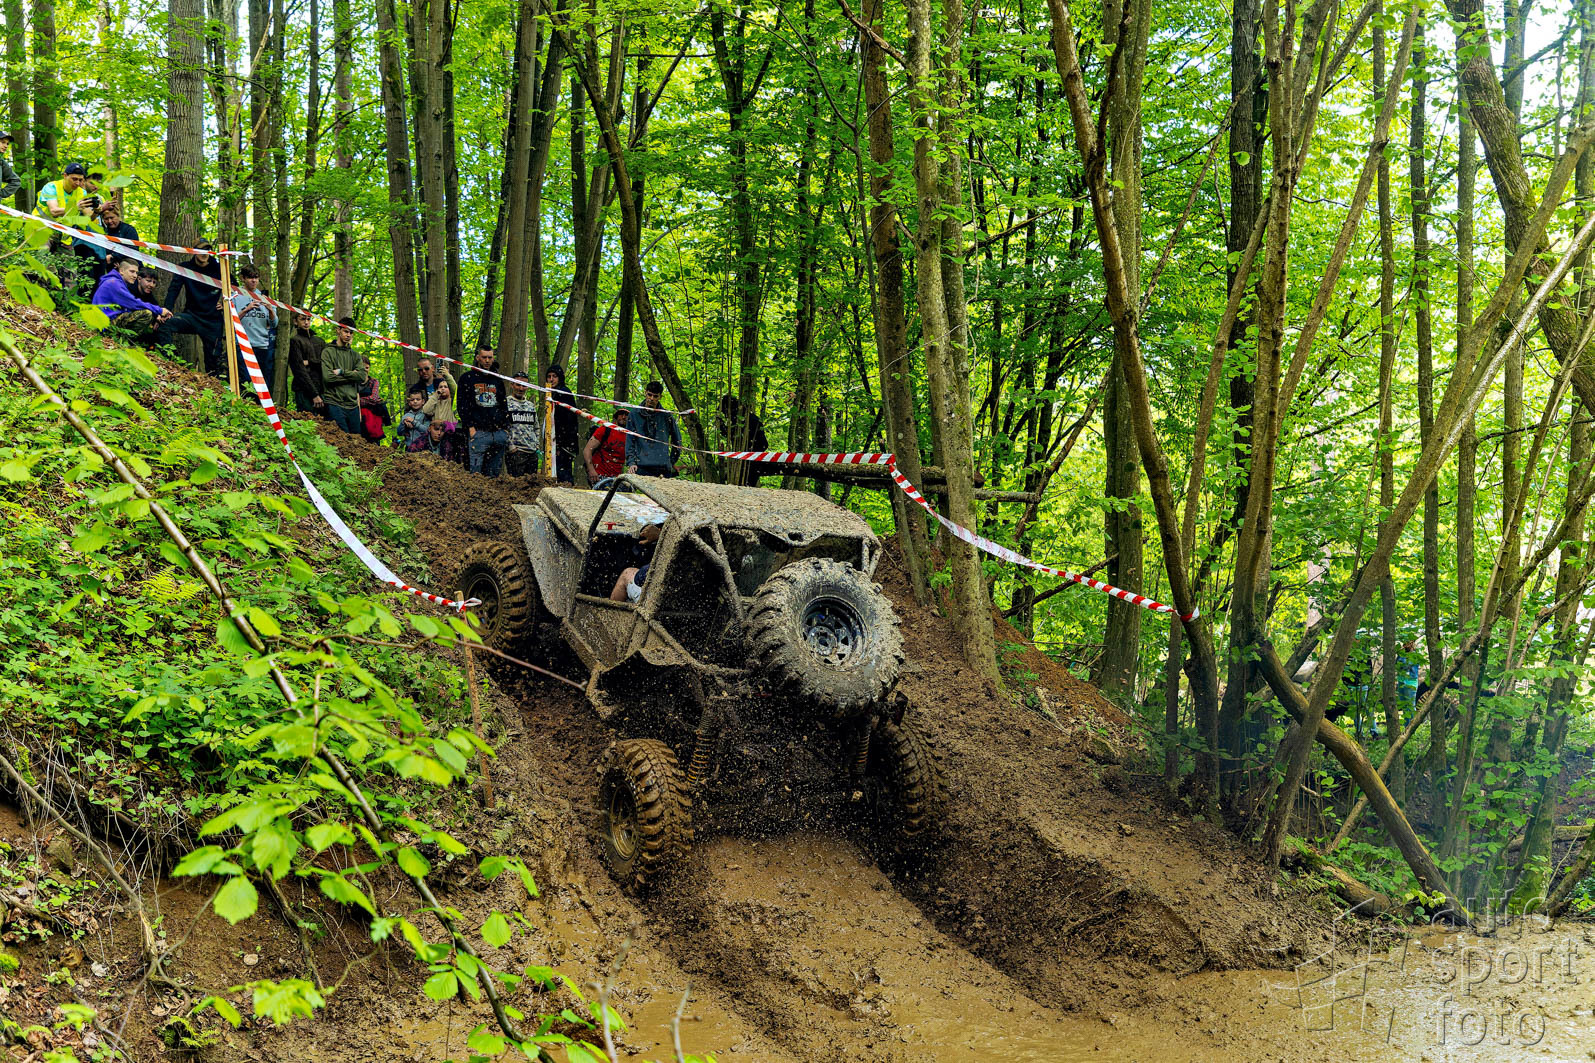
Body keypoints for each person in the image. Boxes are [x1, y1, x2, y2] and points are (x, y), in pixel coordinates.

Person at [162, 241, 225, 377]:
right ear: (194, 251)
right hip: (192, 316)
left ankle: (214, 386)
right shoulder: (185, 267)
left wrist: (224, 303)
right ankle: (168, 366)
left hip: (213, 321)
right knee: (164, 323)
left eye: (207, 250)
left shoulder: (220, 268)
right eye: (201, 250)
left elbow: (234, 288)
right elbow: (173, 290)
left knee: (213, 363)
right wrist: (166, 310)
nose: (204, 253)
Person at [90, 258, 172, 345]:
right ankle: (123, 342)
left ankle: (121, 341)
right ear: (121, 271)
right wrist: (159, 310)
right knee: (146, 314)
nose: (135, 276)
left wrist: (157, 314)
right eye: (132, 272)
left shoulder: (116, 282)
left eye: (136, 272)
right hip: (103, 324)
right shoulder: (114, 283)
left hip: (105, 320)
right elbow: (134, 303)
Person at [456, 345, 509, 476]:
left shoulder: (497, 379)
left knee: (494, 474)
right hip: (478, 432)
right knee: (475, 474)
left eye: (490, 357)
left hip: (497, 432)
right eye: (484, 357)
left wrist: (505, 428)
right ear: (477, 358)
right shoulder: (467, 378)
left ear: (493, 358)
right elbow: (462, 405)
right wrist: (470, 427)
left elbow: (503, 403)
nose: (487, 360)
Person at [230, 264, 277, 391]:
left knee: (262, 384)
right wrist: (247, 309)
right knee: (246, 382)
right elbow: (231, 321)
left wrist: (270, 310)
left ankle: (260, 403)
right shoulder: (235, 296)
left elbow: (274, 324)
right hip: (243, 344)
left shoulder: (264, 297)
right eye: (250, 277)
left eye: (256, 277)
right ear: (243, 278)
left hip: (262, 345)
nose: (254, 281)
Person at [320, 317, 366, 435]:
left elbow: (362, 376)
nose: (348, 335)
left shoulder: (355, 355)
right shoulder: (328, 352)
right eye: (346, 331)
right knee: (340, 438)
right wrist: (352, 376)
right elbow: (328, 378)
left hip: (352, 405)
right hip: (334, 402)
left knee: (356, 440)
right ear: (338, 330)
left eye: (351, 332)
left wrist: (342, 372)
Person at [626, 380, 681, 478]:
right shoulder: (634, 414)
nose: (651, 398)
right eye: (649, 395)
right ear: (645, 393)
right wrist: (631, 462)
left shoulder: (666, 416)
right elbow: (630, 440)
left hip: (663, 467)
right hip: (640, 466)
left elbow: (677, 441)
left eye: (655, 396)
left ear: (660, 397)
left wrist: (671, 461)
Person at [716, 393, 772, 483]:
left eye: (725, 412)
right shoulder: (742, 419)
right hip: (745, 456)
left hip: (750, 456)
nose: (726, 415)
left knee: (747, 480)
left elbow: (732, 435)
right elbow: (732, 435)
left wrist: (722, 427)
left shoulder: (746, 419)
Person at [74, 200, 139, 276]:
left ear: (118, 216)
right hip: (110, 269)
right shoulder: (103, 232)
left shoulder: (128, 230)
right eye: (106, 219)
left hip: (130, 267)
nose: (110, 221)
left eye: (112, 218)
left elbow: (133, 249)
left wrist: (114, 257)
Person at [610, 519, 664, 603]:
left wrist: (661, 537)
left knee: (627, 573)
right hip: (679, 598)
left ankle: (612, 610)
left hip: (656, 600)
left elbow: (640, 579)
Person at [288, 311, 327, 414]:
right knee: (306, 419)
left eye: (308, 319)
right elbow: (299, 370)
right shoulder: (295, 341)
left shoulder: (320, 341)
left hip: (321, 388)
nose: (306, 322)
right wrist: (314, 394)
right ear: (295, 322)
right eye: (302, 319)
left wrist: (310, 362)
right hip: (303, 390)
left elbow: (326, 364)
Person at [545, 364, 577, 483]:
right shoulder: (551, 394)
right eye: (549, 376)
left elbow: (568, 421)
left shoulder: (564, 393)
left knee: (563, 474)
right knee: (554, 473)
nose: (551, 379)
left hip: (564, 443)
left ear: (560, 378)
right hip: (553, 440)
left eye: (554, 376)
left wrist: (560, 444)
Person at [505, 380, 542, 477]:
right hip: (516, 452)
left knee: (532, 483)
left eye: (524, 385)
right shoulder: (506, 403)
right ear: (512, 385)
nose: (521, 388)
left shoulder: (530, 405)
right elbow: (503, 427)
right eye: (518, 385)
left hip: (532, 452)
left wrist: (536, 444)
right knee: (516, 483)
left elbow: (536, 426)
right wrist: (511, 447)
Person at [583, 415, 627, 483]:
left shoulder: (631, 435)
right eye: (621, 414)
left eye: (626, 415)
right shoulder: (606, 429)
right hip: (598, 475)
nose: (623, 417)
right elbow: (587, 450)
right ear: (616, 416)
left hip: (617, 478)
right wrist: (591, 470)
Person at [357, 358, 390, 442]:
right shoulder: (354, 382)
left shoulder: (374, 381)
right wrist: (367, 401)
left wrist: (358, 400)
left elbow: (374, 398)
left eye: (367, 367)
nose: (364, 370)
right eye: (362, 367)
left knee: (374, 437)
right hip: (358, 413)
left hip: (374, 414)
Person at [0, 133, 19, 202]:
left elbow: (16, 181)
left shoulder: (1, 162)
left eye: (7, 144)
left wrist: (1, 194)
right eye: (3, 142)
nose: (6, 146)